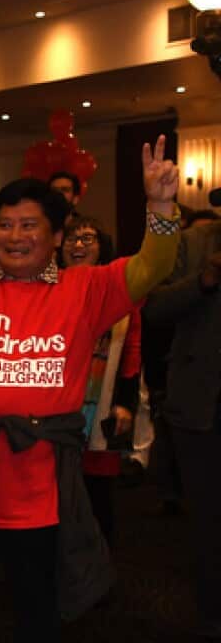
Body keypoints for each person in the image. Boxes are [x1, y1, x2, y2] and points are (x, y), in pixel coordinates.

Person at [0, 122, 180, 640]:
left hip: (43, 494)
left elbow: (154, 266)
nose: (14, 237)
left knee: (39, 616)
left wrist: (160, 208)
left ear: (57, 237)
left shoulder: (87, 289)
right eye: (5, 225)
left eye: (29, 227)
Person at [143, 194, 221, 640]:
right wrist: (204, 280)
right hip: (202, 402)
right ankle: (213, 612)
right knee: (209, 517)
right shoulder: (193, 244)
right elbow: (155, 308)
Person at [57, 215, 140, 548]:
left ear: (102, 246)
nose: (78, 246)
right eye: (71, 239)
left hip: (101, 405)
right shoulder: (46, 285)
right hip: (58, 407)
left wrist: (125, 403)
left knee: (97, 495)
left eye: (87, 238)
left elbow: (132, 350)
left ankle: (99, 569)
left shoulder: (118, 289)